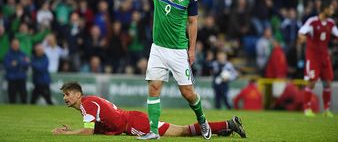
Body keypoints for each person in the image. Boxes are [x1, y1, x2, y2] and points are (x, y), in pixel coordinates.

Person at [127, 0, 212, 140]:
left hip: (178, 51)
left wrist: (191, 50)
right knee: (154, 88)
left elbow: (193, 24)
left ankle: (202, 120)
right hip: (158, 48)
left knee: (188, 94)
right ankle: (153, 131)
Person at [52, 82, 246, 138]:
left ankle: (228, 123)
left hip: (135, 124)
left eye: (68, 94)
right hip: (132, 119)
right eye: (64, 95)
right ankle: (224, 129)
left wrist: (67, 134)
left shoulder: (87, 105)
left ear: (78, 95)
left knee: (182, 131)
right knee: (182, 130)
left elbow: (88, 131)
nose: (65, 98)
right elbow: (99, 127)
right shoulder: (88, 104)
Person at [298, 1, 338, 117]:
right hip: (313, 57)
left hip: (325, 57)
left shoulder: (331, 23)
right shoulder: (313, 21)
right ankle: (307, 109)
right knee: (312, 82)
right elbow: (301, 32)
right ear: (324, 9)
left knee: (328, 83)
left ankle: (326, 110)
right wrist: (302, 38)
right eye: (330, 9)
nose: (332, 11)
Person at [3, 38, 30, 104]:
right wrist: (20, 63)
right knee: (12, 97)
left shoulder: (22, 53)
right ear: (11, 45)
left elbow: (27, 63)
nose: (16, 46)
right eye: (14, 44)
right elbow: (6, 66)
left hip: (21, 78)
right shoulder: (8, 54)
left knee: (23, 96)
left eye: (17, 44)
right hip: (11, 78)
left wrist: (17, 63)